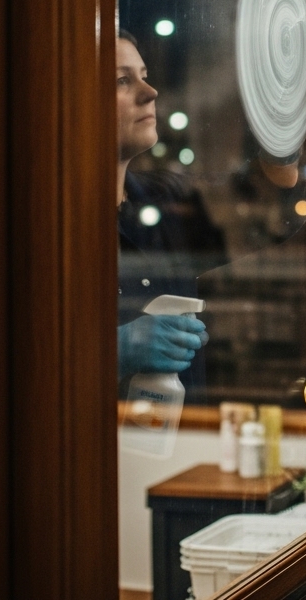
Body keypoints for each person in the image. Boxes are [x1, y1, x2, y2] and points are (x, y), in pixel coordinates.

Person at [115, 30, 212, 383]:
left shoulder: (165, 204)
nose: (150, 92)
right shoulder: (47, 223)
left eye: (145, 76)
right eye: (123, 80)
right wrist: (111, 352)